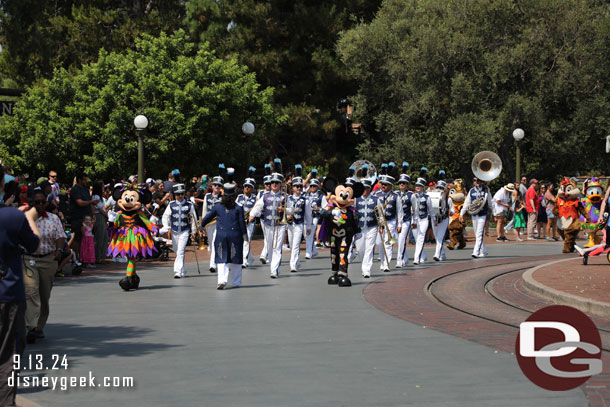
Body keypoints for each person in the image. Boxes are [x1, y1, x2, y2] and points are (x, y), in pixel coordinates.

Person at [0, 174, 40, 407]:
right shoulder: (13, 217)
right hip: (8, 294)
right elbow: (33, 244)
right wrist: (30, 217)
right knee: (8, 354)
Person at [22, 190, 66, 343]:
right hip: (28, 258)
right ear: (31, 203)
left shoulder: (53, 219)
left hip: (48, 259)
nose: (40, 205)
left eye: (43, 202)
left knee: (44, 295)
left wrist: (59, 250)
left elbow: (60, 236)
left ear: (47, 203)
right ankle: (31, 327)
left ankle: (39, 326)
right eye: (37, 202)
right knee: (31, 290)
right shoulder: (25, 218)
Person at [201, 172, 247, 289]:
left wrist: (202, 225)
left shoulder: (218, 206)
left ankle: (221, 280)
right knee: (236, 259)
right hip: (235, 235)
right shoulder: (238, 207)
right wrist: (245, 236)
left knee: (221, 258)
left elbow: (208, 217)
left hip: (221, 235)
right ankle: (236, 282)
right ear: (234, 196)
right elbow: (242, 223)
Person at [249, 159, 286, 278]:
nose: (274, 184)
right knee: (269, 247)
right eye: (272, 182)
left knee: (277, 247)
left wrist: (285, 210)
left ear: (280, 184)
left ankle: (274, 270)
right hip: (268, 224)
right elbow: (258, 206)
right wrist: (252, 215)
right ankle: (273, 267)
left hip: (280, 225)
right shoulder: (265, 196)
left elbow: (291, 209)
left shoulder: (285, 196)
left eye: (277, 182)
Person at [161, 184, 198, 278]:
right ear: (175, 195)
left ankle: (177, 271)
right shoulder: (171, 204)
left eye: (182, 194)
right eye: (178, 194)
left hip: (185, 231)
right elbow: (165, 216)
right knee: (178, 252)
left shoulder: (189, 205)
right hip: (174, 231)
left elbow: (193, 218)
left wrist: (193, 231)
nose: (180, 196)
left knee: (181, 251)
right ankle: (183, 269)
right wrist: (166, 226)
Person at [372, 163, 402, 272]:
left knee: (388, 243)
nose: (383, 186)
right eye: (382, 184)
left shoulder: (395, 196)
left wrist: (399, 224)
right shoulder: (375, 194)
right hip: (379, 222)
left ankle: (387, 264)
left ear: (390, 185)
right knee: (379, 243)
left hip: (391, 221)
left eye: (385, 184)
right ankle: (383, 261)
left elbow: (399, 211)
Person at [285, 165, 312, 273]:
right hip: (290, 224)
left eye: (300, 186)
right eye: (296, 186)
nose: (299, 188)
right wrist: (287, 214)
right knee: (292, 245)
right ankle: (296, 262)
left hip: (300, 224)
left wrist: (309, 226)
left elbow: (308, 214)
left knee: (296, 245)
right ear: (292, 187)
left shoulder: (305, 199)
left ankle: (292, 265)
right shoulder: (287, 198)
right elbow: (284, 210)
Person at [354, 165, 379, 277]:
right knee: (360, 249)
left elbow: (380, 215)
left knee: (369, 249)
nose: (365, 191)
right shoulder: (355, 199)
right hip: (359, 228)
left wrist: (382, 226)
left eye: (367, 188)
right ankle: (364, 265)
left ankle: (366, 270)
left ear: (369, 188)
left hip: (372, 227)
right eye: (363, 188)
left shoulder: (375, 199)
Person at [460, 176, 492, 258]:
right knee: (477, 234)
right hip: (474, 214)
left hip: (482, 214)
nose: (476, 182)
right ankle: (484, 251)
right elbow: (467, 203)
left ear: (481, 181)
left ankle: (476, 252)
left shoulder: (486, 191)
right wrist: (461, 214)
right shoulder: (471, 191)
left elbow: (490, 203)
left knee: (479, 233)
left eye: (478, 180)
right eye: (475, 180)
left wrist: (494, 214)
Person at [202, 165, 225, 273]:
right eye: (215, 185)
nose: (216, 186)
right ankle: (216, 261)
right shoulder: (207, 196)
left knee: (216, 243)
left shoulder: (223, 197)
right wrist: (203, 223)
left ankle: (212, 265)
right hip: (210, 223)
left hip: (219, 223)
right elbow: (205, 210)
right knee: (212, 244)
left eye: (218, 185)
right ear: (212, 186)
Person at [69, 173, 97, 261]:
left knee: (86, 239)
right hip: (77, 217)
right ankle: (75, 258)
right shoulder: (75, 190)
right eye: (84, 180)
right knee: (77, 238)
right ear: (80, 180)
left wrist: (93, 215)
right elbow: (80, 202)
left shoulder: (86, 190)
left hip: (87, 218)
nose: (86, 181)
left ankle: (84, 258)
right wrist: (91, 202)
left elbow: (90, 203)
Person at [236, 167, 258, 268]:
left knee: (246, 241)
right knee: (240, 241)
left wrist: (252, 216)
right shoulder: (239, 197)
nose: (247, 188)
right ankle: (250, 257)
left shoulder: (255, 199)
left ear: (252, 188)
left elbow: (258, 211)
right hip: (240, 222)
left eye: (249, 186)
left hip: (250, 223)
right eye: (246, 186)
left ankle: (243, 260)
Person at [430, 172, 453, 261]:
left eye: (441, 188)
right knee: (437, 237)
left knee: (439, 237)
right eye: (438, 188)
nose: (439, 189)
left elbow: (452, 211)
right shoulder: (431, 197)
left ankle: (437, 254)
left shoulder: (449, 198)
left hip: (444, 219)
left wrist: (450, 212)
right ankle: (442, 253)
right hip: (435, 219)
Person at [411, 170, 432, 264]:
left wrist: (434, 220)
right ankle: (423, 255)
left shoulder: (427, 197)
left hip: (424, 220)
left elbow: (430, 210)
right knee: (417, 239)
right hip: (414, 220)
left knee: (420, 238)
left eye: (419, 186)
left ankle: (416, 258)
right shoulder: (412, 196)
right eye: (416, 186)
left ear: (423, 187)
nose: (417, 187)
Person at [396, 163, 413, 267]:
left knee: (402, 239)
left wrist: (414, 221)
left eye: (404, 183)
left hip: (406, 220)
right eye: (400, 183)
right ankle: (405, 258)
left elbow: (415, 208)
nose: (402, 184)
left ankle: (399, 260)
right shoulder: (395, 194)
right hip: (396, 221)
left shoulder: (411, 195)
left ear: (407, 185)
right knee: (399, 240)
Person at [304, 170, 323, 259]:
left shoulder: (321, 196)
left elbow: (325, 207)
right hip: (306, 217)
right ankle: (314, 250)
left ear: (317, 186)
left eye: (314, 186)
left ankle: (308, 253)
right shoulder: (306, 194)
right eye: (311, 186)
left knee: (310, 234)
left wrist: (318, 208)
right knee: (306, 234)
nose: (312, 187)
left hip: (315, 217)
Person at [257, 164, 272, 264]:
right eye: (267, 184)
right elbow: (257, 204)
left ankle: (265, 254)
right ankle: (264, 254)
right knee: (267, 237)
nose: (268, 186)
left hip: (272, 218)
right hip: (263, 218)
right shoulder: (261, 193)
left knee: (268, 237)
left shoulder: (275, 192)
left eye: (270, 184)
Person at [91, 180, 108, 264]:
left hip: (102, 217)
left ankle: (102, 256)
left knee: (104, 237)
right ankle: (98, 257)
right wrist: (107, 216)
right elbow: (99, 209)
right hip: (99, 217)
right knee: (99, 237)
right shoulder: (95, 197)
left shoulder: (99, 197)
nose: (103, 188)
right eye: (102, 187)